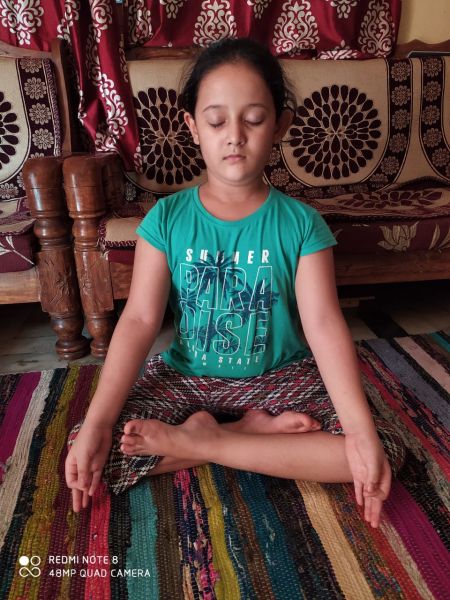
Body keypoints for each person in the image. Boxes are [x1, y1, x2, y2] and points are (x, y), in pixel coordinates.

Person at [65, 37, 405, 529]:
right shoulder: (166, 219)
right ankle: (253, 436)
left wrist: (360, 433)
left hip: (280, 376)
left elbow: (324, 326)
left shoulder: (302, 225)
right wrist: (98, 422)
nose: (235, 136)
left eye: (254, 119)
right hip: (189, 376)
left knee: (379, 448)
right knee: (93, 447)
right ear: (192, 127)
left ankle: (210, 441)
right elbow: (138, 320)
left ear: (280, 125)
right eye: (217, 121)